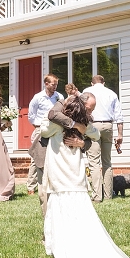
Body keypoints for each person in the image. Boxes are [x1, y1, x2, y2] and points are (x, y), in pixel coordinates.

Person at [42, 93, 130, 258]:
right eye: (90, 109)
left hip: (65, 174)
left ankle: (63, 245)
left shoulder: (77, 125)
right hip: (68, 173)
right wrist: (79, 129)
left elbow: (47, 130)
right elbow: (57, 123)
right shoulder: (66, 121)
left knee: (63, 207)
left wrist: (81, 140)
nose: (91, 112)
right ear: (81, 106)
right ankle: (62, 241)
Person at [32, 83, 86, 217]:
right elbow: (51, 115)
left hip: (62, 160)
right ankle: (48, 225)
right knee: (44, 192)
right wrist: (75, 124)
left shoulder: (82, 117)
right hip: (45, 150)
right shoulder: (61, 102)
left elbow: (93, 135)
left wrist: (82, 143)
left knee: (58, 191)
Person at [82, 75, 124, 202]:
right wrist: (120, 134)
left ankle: (97, 196)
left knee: (94, 162)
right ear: (103, 83)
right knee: (107, 162)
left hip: (93, 125)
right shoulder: (112, 93)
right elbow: (119, 116)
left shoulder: (86, 92)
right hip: (108, 126)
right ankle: (108, 194)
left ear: (92, 83)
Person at [26, 74, 63, 196]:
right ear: (46, 84)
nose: (55, 87)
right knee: (36, 158)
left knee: (55, 156)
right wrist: (38, 126)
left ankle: (53, 184)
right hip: (41, 129)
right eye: (53, 84)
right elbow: (31, 114)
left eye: (56, 84)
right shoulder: (38, 97)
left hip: (55, 130)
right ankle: (31, 186)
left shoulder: (59, 97)